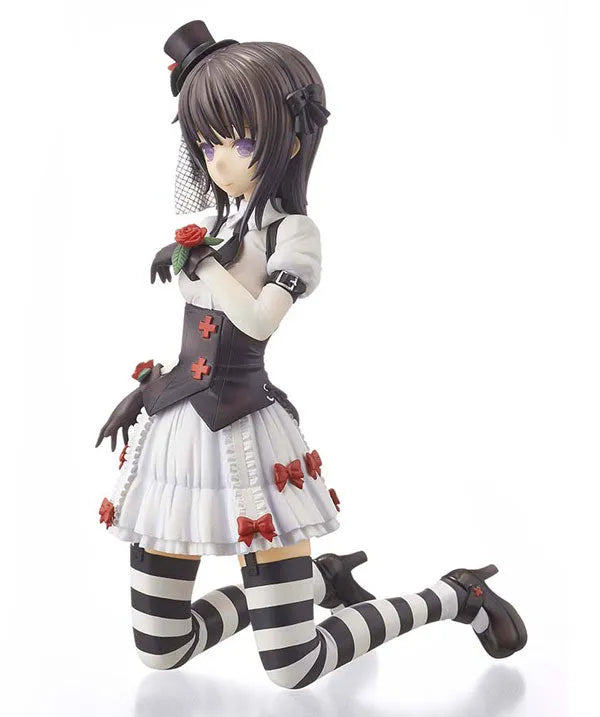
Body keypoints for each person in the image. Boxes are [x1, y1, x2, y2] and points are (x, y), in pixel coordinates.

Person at [96, 20, 527, 688]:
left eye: (238, 141)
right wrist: (149, 388)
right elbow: (198, 333)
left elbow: (257, 322)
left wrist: (204, 265)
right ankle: (320, 581)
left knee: (293, 668)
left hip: (248, 438)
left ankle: (455, 594)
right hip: (177, 437)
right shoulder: (208, 224)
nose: (218, 160)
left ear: (288, 140)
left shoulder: (292, 234)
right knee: (162, 648)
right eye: (206, 141)